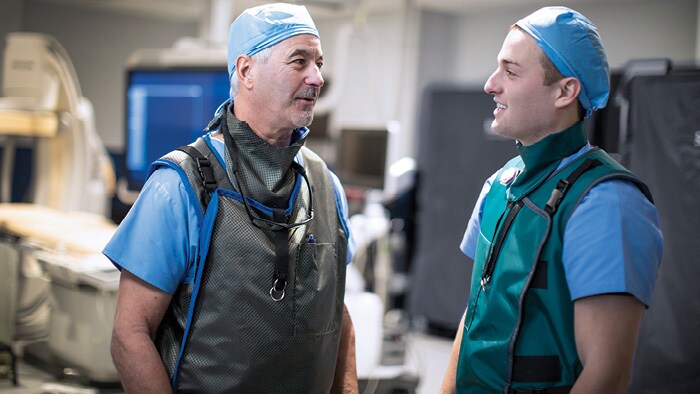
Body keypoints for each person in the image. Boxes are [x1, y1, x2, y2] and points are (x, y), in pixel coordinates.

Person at [105, 3, 359, 393]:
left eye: (319, 62)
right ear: (246, 71)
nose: (317, 77)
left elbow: (337, 315)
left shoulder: (325, 186)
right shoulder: (181, 187)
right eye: (299, 61)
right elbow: (129, 335)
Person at [440, 6, 663, 394]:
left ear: (565, 91)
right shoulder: (499, 185)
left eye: (510, 71)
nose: (491, 84)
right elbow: (475, 316)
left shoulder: (607, 203)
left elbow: (606, 376)